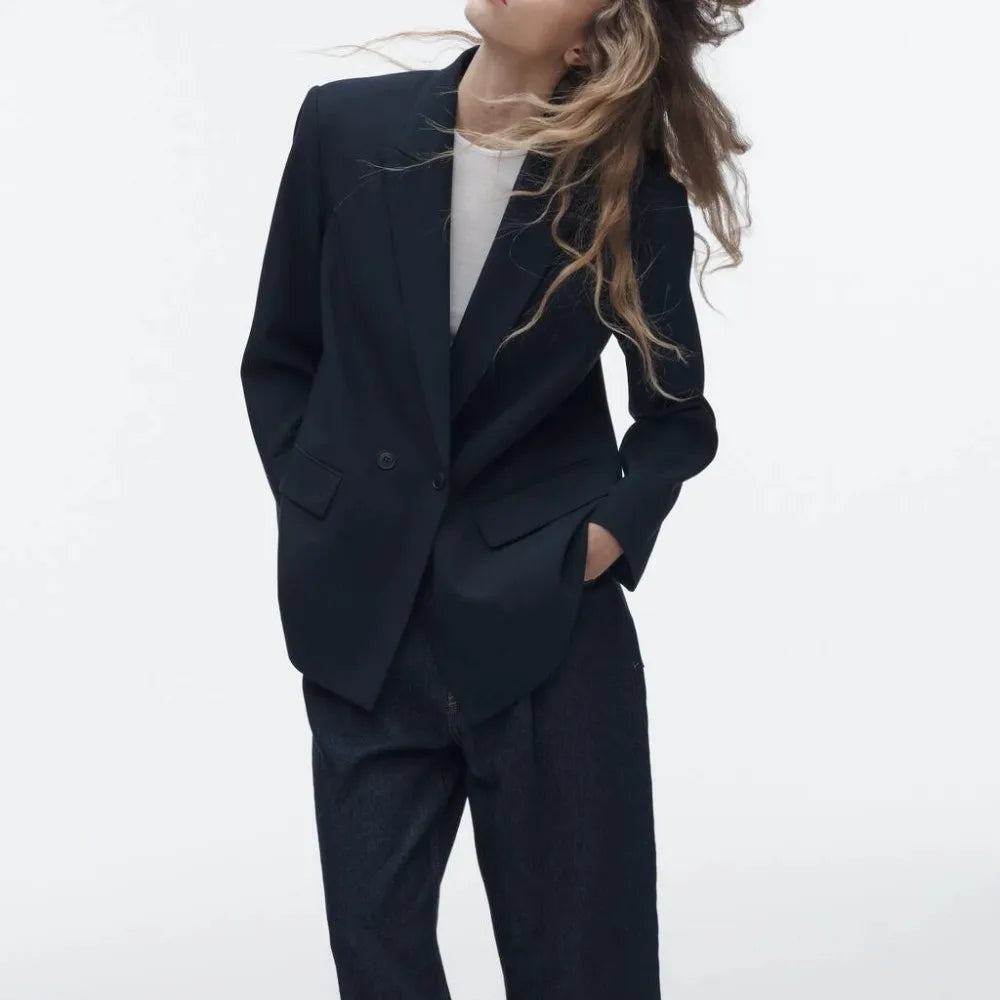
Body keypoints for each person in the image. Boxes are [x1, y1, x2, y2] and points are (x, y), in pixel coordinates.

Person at [240, 2, 751, 996]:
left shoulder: (625, 189)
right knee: (378, 961)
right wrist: (325, 513)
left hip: (545, 631)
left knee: (582, 965)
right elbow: (281, 355)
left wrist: (598, 543)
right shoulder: (343, 126)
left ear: (590, 36)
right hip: (366, 626)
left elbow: (675, 420)